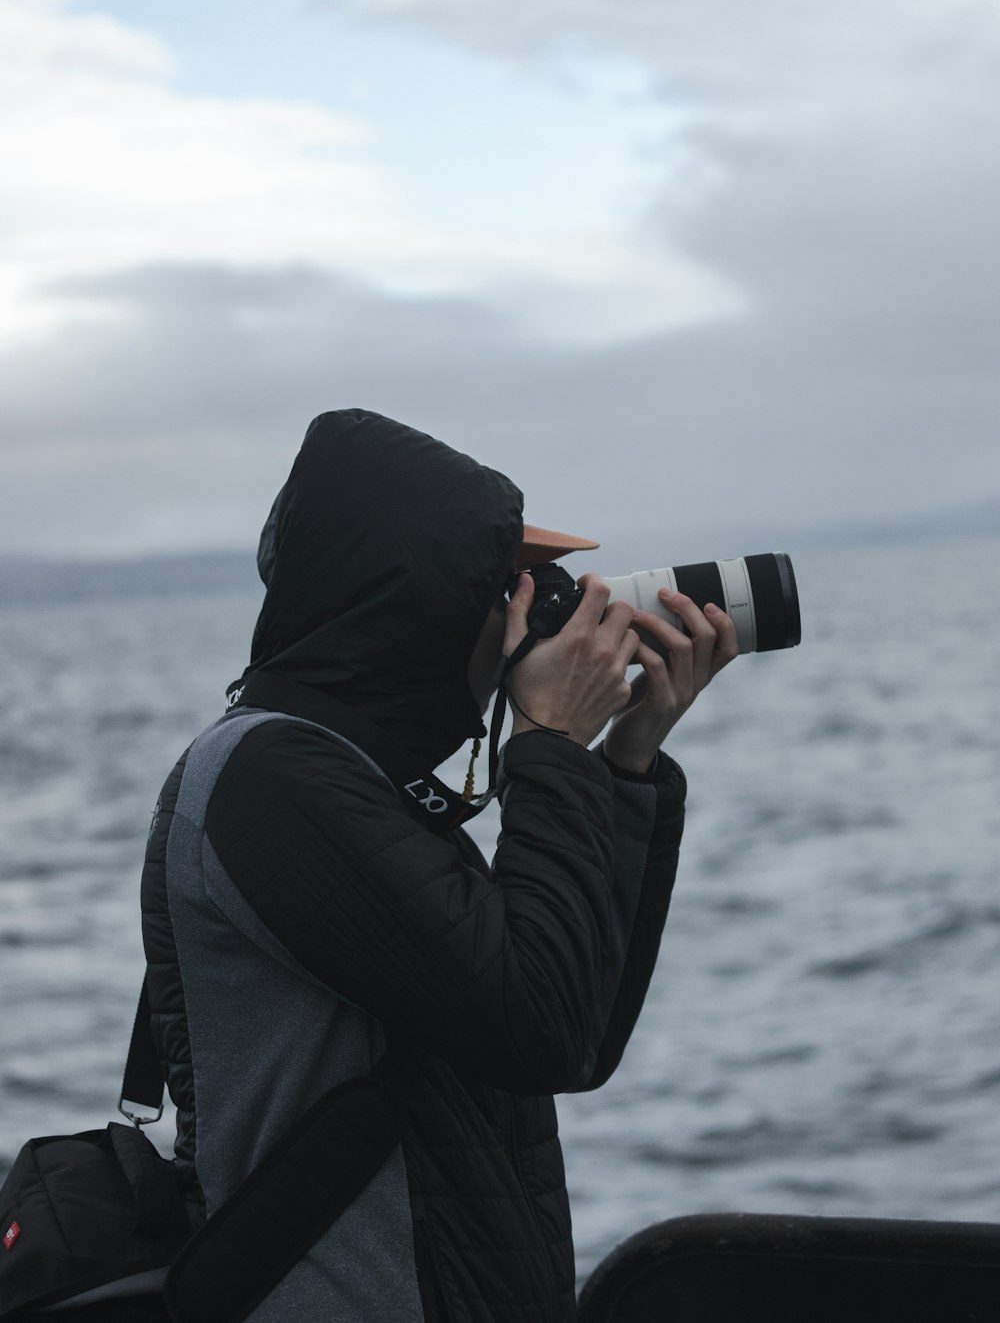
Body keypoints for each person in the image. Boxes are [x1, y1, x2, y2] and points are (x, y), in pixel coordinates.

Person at [142, 408, 737, 1322]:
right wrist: (550, 743)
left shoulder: (361, 790)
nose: (534, 620)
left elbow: (573, 1040)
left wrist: (625, 762)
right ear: (423, 603)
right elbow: (531, 1019)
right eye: (515, 590)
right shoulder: (267, 779)